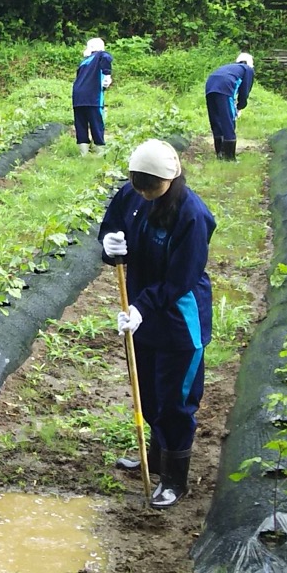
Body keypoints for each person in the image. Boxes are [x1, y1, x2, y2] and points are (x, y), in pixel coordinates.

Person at [99, 139, 216, 509]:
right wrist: (110, 244)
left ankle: (174, 479)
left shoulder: (192, 215)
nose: (144, 193)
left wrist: (142, 307)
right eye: (138, 184)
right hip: (143, 314)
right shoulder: (132, 195)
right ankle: (153, 456)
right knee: (147, 388)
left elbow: (181, 277)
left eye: (151, 186)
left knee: (175, 399)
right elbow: (112, 225)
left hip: (179, 320)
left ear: (170, 179)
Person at [205, 53, 254, 160]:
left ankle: (219, 153)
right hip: (225, 87)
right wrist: (240, 106)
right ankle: (229, 157)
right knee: (228, 120)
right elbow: (245, 91)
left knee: (216, 119)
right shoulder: (247, 69)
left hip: (210, 85)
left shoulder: (230, 68)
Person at [72, 37, 113, 155]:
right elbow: (106, 57)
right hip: (93, 97)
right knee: (96, 122)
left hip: (77, 96)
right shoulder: (101, 55)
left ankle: (83, 153)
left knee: (80, 123)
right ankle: (99, 150)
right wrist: (107, 75)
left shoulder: (84, 62)